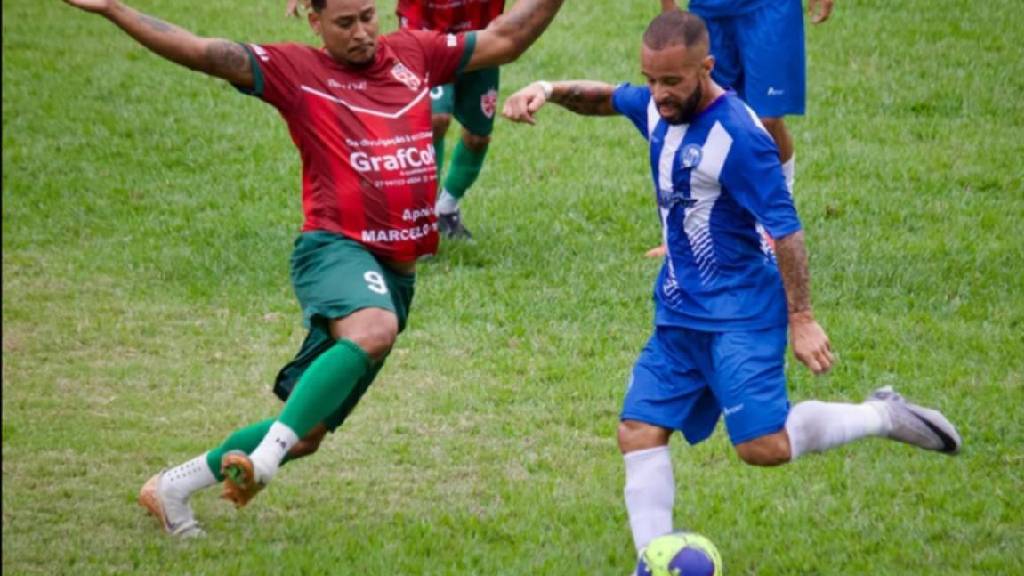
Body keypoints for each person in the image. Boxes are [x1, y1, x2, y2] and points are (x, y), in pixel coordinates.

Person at [63, 0, 565, 537]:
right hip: (335, 249)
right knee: (374, 330)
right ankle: (264, 464)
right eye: (344, 23)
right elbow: (203, 52)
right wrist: (113, 8)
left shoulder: (412, 53)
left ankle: (172, 487)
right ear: (315, 22)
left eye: (368, 16)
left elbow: (506, 39)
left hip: (397, 274)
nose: (361, 32)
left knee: (305, 433)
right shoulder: (296, 70)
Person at [503, 9, 961, 559]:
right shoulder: (657, 108)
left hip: (741, 315)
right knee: (638, 431)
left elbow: (786, 230)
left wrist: (802, 317)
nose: (659, 93)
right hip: (678, 315)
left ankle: (883, 414)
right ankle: (654, 563)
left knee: (763, 447)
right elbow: (607, 98)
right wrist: (547, 89)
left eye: (672, 81)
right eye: (652, 79)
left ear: (707, 67)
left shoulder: (740, 137)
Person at [289, 0, 506, 240]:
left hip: (482, 34)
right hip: (426, 30)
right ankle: (421, 214)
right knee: (436, 119)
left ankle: (446, 208)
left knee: (477, 137)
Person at [646, 0, 834, 258]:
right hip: (709, 8)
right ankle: (681, 233)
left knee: (766, 119)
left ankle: (775, 216)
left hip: (769, 6)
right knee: (699, 109)